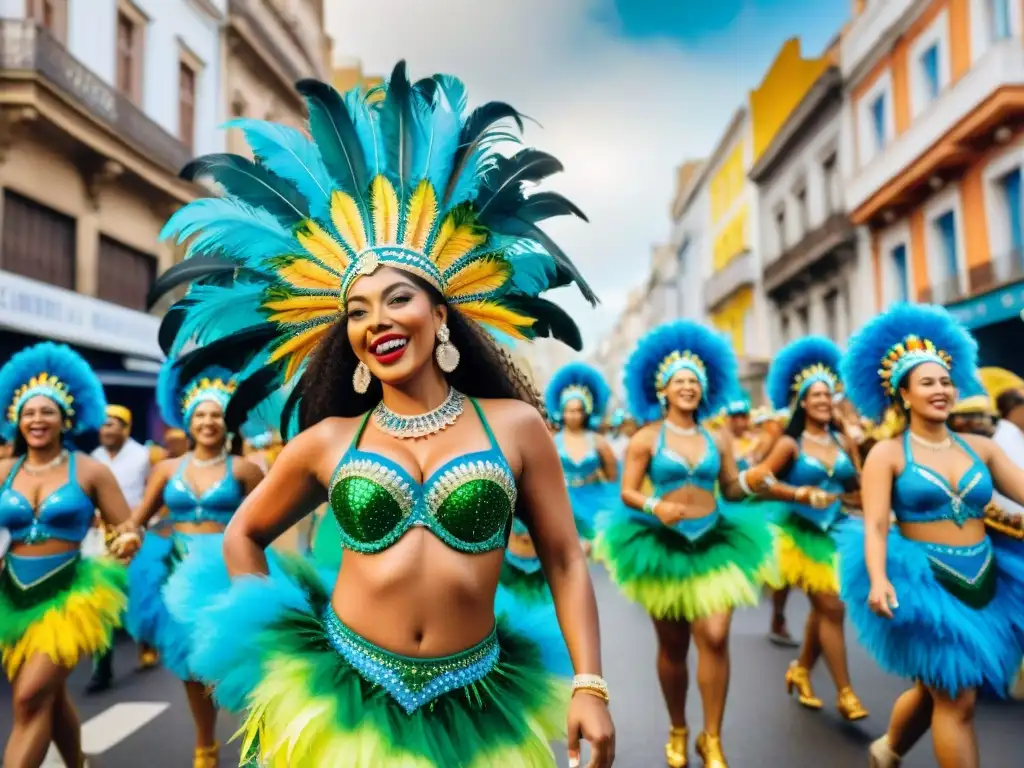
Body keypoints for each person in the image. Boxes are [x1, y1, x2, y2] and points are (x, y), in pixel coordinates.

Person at [148, 62, 615, 767]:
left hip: (478, 703)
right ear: (353, 342)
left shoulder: (514, 428)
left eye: (398, 298)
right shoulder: (328, 440)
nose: (378, 321)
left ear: (439, 312)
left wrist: (590, 684)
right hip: (344, 698)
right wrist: (272, 648)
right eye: (358, 312)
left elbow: (563, 557)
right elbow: (243, 535)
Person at [836, 303, 1024, 768]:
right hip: (925, 583)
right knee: (957, 700)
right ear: (903, 393)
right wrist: (879, 578)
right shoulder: (887, 454)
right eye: (927, 382)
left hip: (988, 580)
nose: (940, 390)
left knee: (938, 687)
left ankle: (889, 749)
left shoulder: (981, 447)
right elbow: (877, 523)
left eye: (945, 381)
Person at [594, 320, 778, 768]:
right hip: (663, 548)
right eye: (680, 381)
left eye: (695, 382)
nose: (688, 388)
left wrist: (754, 482)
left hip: (716, 541)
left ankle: (711, 737)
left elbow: (731, 488)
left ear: (704, 390)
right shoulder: (645, 439)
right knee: (673, 648)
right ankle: (679, 727)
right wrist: (656, 505)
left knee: (715, 637)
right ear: (663, 390)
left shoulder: (717, 437)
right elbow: (627, 491)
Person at [0, 342, 140, 768]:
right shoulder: (4, 471)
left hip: (71, 595)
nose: (37, 420)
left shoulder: (90, 470)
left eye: (47, 412)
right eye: (28, 412)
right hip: (12, 596)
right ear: (15, 418)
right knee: (48, 698)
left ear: (66, 418)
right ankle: (77, 763)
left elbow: (127, 525)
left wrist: (127, 541)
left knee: (27, 699)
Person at [122, 360, 265, 768]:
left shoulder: (245, 469)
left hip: (228, 572)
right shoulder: (167, 470)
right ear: (188, 420)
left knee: (240, 659)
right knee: (190, 665)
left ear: (228, 422)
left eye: (216, 414)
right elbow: (140, 516)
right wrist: (130, 533)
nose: (208, 421)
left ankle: (258, 737)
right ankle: (205, 746)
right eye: (200, 414)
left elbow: (266, 522)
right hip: (178, 574)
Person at [744, 337, 868, 719]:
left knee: (824, 609)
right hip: (799, 534)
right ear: (801, 402)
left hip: (841, 533)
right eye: (815, 396)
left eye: (828, 395)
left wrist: (863, 500)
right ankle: (846, 693)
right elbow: (757, 480)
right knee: (831, 607)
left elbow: (858, 488)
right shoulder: (790, 445)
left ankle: (800, 671)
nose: (823, 401)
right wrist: (799, 493)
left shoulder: (842, 439)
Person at [88, 405, 154, 689]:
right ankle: (101, 668)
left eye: (112, 424)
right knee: (100, 602)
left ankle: (147, 643)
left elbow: (152, 494)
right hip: (98, 539)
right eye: (103, 425)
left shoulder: (143, 456)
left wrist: (136, 524)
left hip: (135, 535)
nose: (106, 429)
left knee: (138, 595)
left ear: (125, 428)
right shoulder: (93, 458)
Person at [544, 362, 619, 553]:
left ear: (586, 412)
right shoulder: (551, 441)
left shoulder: (598, 441)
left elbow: (612, 476)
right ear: (562, 411)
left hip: (596, 501)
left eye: (579, 410)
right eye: (570, 410)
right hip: (563, 504)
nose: (574, 415)